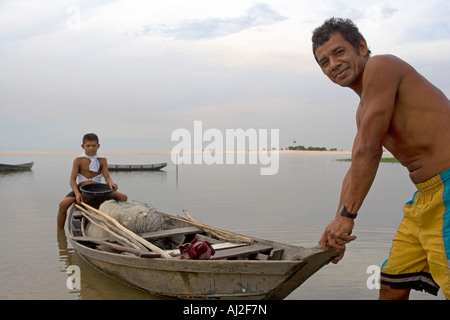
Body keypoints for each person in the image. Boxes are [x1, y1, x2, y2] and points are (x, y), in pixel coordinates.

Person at [312, 17, 450, 299]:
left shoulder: (381, 66)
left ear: (361, 47)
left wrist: (348, 216)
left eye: (339, 52)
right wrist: (338, 225)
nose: (333, 64)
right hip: (426, 197)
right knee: (391, 284)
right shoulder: (363, 109)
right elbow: (355, 167)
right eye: (324, 62)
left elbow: (369, 151)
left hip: (448, 190)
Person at [57, 133, 127, 229]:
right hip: (82, 189)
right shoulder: (78, 160)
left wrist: (111, 183)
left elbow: (107, 177)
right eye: (88, 146)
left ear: (98, 146)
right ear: (83, 146)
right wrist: (77, 194)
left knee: (123, 198)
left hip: (98, 189)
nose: (91, 148)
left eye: (94, 146)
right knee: (62, 205)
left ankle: (121, 225)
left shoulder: (102, 160)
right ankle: (60, 232)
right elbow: (72, 180)